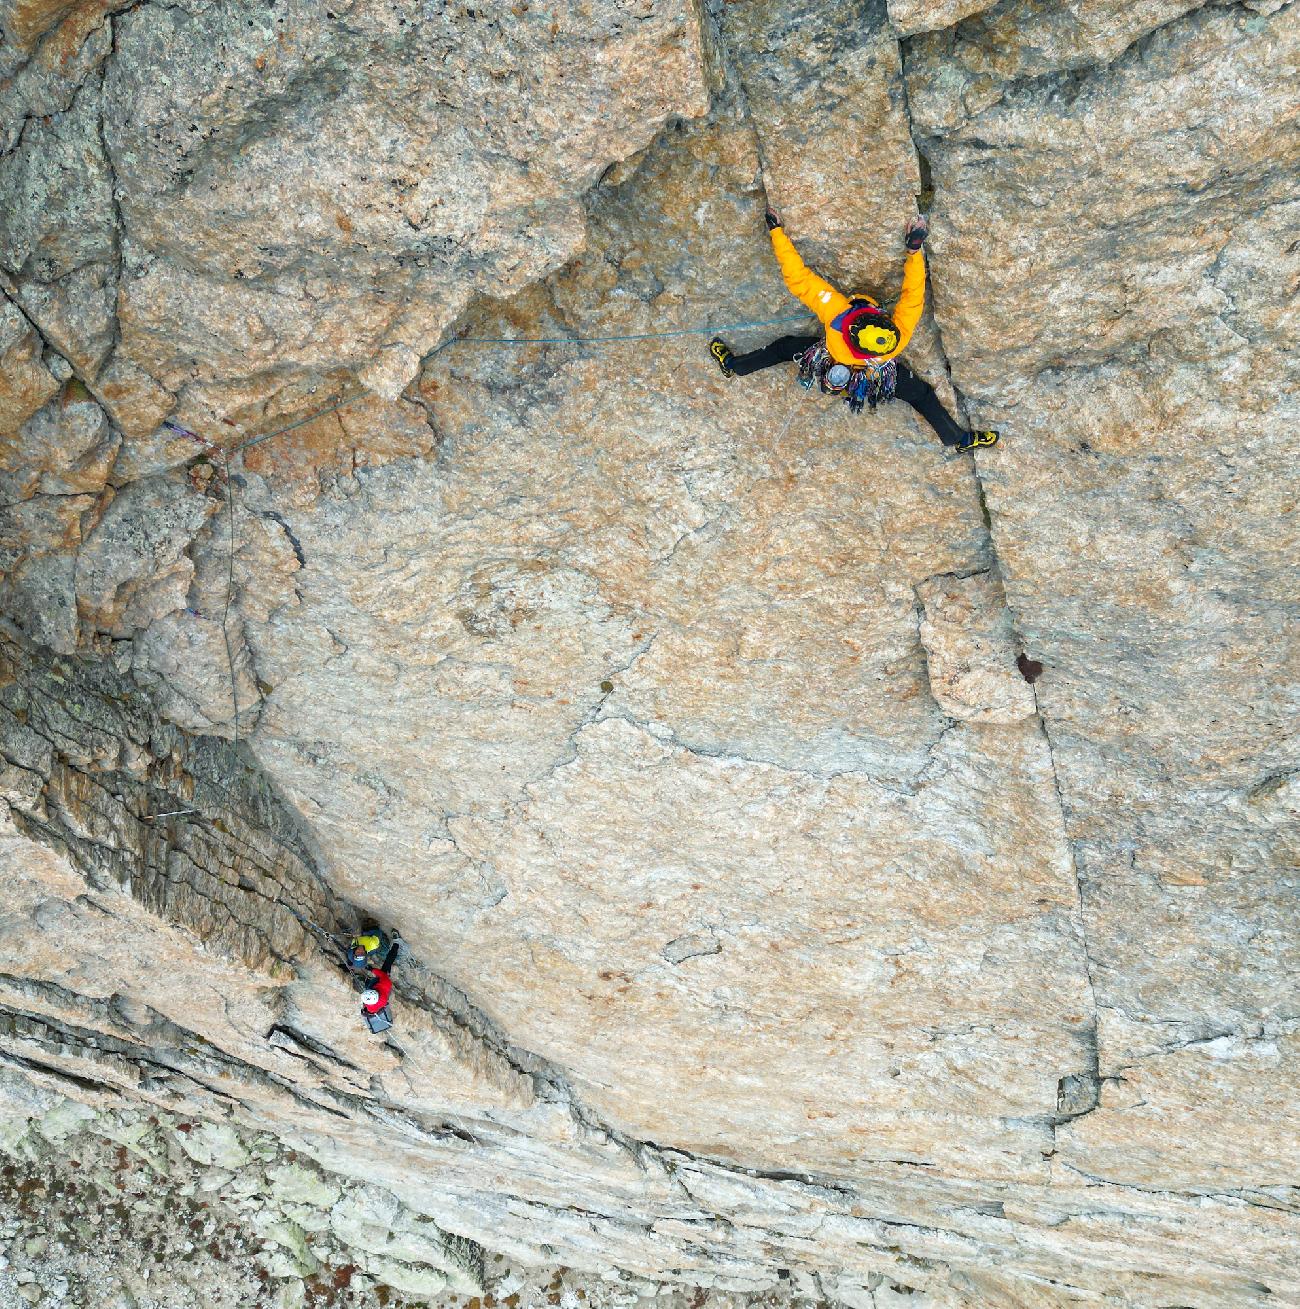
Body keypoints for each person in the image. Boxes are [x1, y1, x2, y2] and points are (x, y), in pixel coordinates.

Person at [709, 209, 998, 454]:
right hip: (876, 378)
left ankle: (734, 365)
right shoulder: (897, 337)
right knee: (921, 395)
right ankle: (959, 439)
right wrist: (914, 250)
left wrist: (777, 233)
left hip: (829, 363)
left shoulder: (837, 313)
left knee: (785, 348)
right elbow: (913, 296)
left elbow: (797, 278)